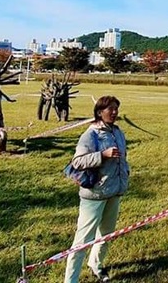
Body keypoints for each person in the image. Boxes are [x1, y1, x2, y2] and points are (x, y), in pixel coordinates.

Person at [64, 95, 129, 283]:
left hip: (114, 191)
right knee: (82, 241)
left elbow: (123, 159)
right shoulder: (91, 134)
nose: (115, 112)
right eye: (111, 109)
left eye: (116, 109)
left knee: (106, 235)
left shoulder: (117, 132)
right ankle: (71, 280)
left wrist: (125, 173)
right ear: (100, 112)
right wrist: (102, 155)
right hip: (94, 195)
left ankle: (96, 265)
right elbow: (78, 161)